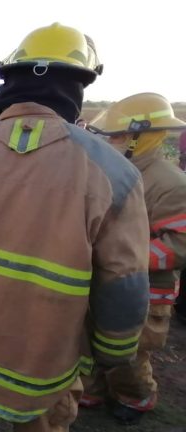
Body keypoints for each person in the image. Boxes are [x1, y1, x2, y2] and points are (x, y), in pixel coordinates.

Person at [0, 23, 149, 432]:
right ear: (78, 88)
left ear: (10, 82)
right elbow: (123, 280)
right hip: (45, 369)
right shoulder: (115, 173)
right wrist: (113, 352)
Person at [80, 93, 186, 425]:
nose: (109, 141)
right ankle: (91, 390)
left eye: (116, 135)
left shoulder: (170, 184)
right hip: (104, 280)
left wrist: (125, 258)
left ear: (140, 136)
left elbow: (179, 244)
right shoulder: (115, 171)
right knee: (90, 339)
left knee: (130, 352)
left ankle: (135, 397)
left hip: (145, 289)